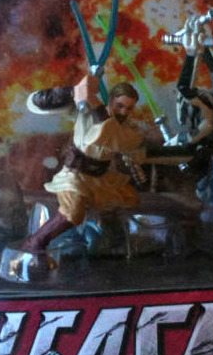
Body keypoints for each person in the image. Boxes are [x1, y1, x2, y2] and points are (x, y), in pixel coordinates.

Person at [22, 73, 146, 253]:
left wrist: (96, 106)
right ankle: (34, 243)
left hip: (100, 178)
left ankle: (107, 241)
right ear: (111, 100)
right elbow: (37, 102)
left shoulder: (130, 129)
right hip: (74, 174)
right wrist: (74, 92)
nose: (124, 112)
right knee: (73, 213)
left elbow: (109, 135)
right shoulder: (85, 111)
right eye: (120, 106)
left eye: (129, 108)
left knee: (130, 199)